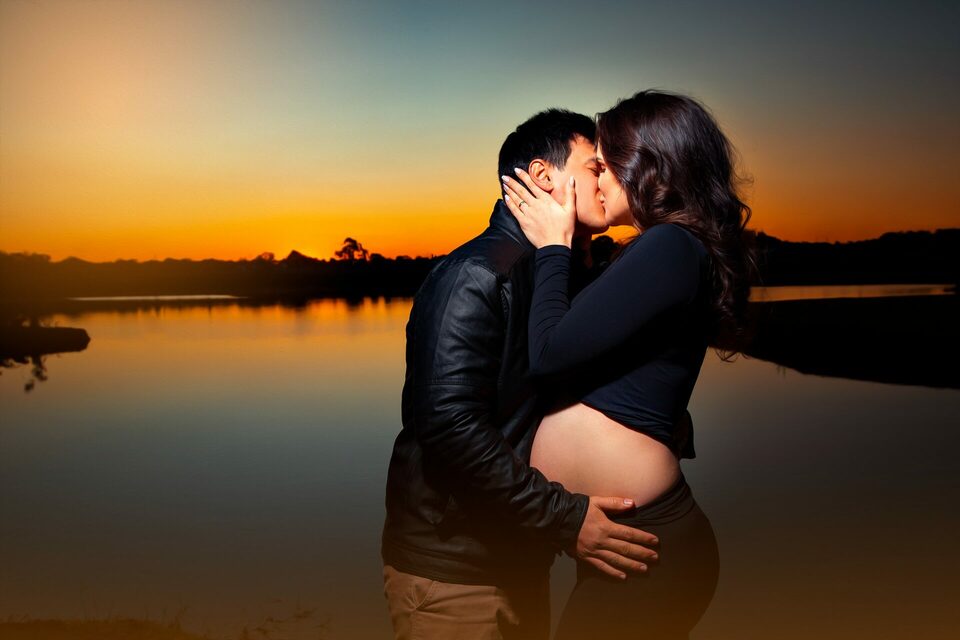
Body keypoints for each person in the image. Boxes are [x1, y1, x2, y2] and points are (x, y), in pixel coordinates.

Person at [381, 109, 661, 640]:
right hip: (456, 569)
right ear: (542, 175)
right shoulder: (476, 274)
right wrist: (565, 518)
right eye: (595, 167)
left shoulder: (559, 275)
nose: (609, 179)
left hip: (523, 556)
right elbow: (450, 429)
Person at [501, 90, 755, 639]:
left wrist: (553, 246)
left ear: (645, 167)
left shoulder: (670, 246)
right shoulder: (658, 249)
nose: (595, 181)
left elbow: (547, 354)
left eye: (603, 165)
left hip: (647, 541)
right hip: (625, 539)